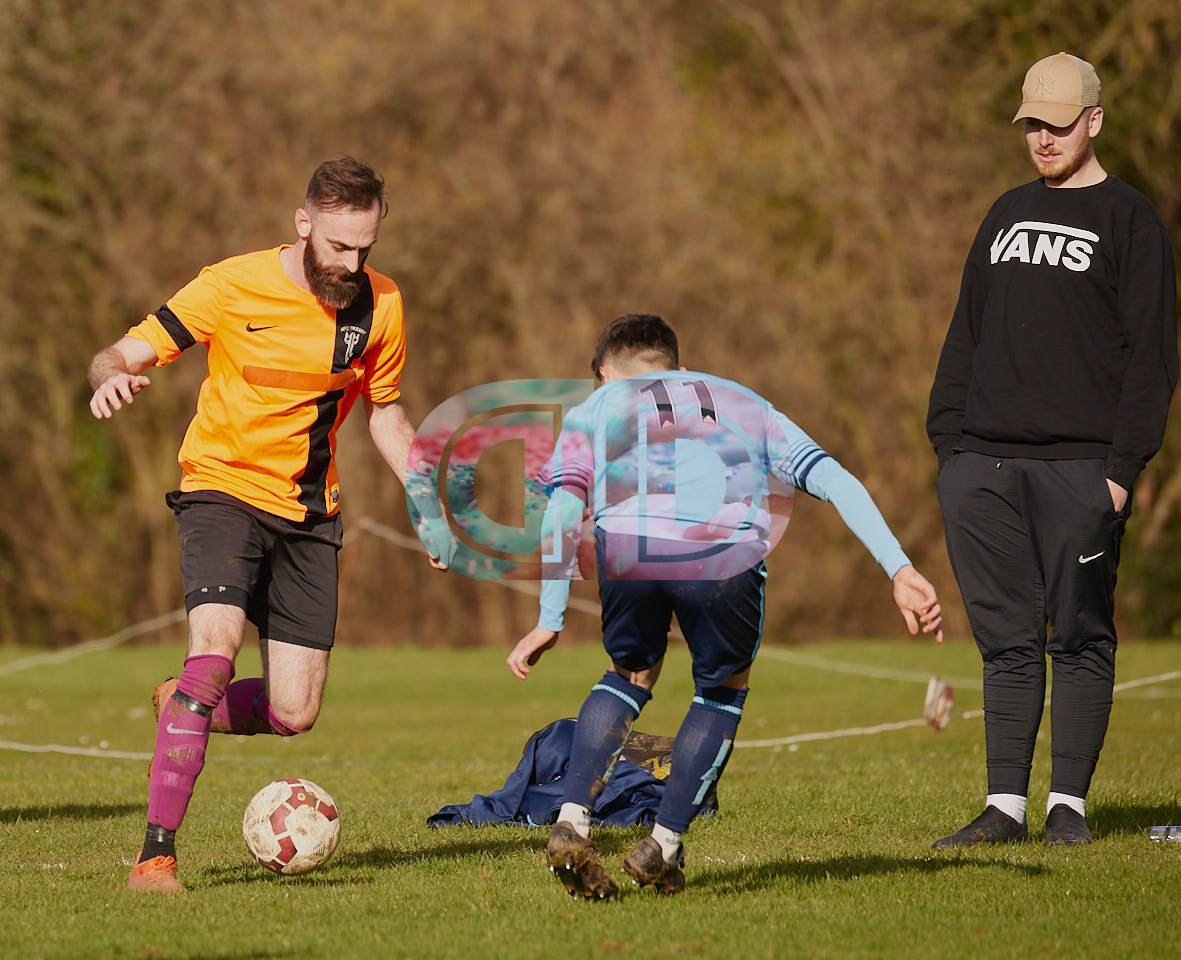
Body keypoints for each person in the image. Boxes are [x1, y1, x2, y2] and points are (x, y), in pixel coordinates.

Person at [506, 314, 943, 898]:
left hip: (630, 549)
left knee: (629, 674)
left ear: (605, 374)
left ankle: (571, 821)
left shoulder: (595, 408)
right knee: (721, 690)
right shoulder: (743, 401)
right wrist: (899, 569)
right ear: (680, 367)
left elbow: (563, 510)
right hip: (724, 557)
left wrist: (549, 618)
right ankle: (663, 844)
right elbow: (833, 478)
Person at [88, 158, 432, 892]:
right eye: (339, 246)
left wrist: (425, 499)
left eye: (366, 247)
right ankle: (155, 855)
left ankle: (182, 705)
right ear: (303, 224)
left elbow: (387, 412)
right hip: (222, 490)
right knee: (213, 653)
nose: (353, 264)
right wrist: (111, 374)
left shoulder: (382, 304)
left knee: (293, 712)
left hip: (310, 514)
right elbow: (121, 350)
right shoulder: (230, 284)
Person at [926, 53, 1177, 847]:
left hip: (1081, 470)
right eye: (1033, 124)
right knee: (1005, 642)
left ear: (1094, 120)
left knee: (1078, 637)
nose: (1043, 139)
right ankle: (1004, 808)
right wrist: (951, 454)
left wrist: (1120, 474)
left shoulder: (1131, 220)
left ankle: (1068, 806)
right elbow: (965, 335)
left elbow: (1152, 360)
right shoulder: (1005, 212)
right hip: (983, 468)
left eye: (1059, 125)